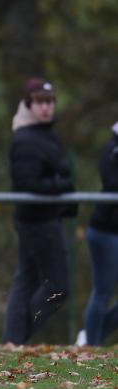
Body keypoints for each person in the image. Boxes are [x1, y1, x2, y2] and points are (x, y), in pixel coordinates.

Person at [3, 79, 75, 345]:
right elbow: (28, 183)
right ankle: (19, 335)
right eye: (40, 102)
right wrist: (63, 185)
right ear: (29, 105)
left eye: (50, 102)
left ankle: (13, 339)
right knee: (58, 287)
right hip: (38, 221)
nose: (46, 107)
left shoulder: (45, 134)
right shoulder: (26, 139)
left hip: (46, 218)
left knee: (26, 281)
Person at [81, 121, 118, 346]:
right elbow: (112, 184)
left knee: (102, 292)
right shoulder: (112, 149)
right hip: (106, 231)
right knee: (103, 292)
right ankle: (92, 344)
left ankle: (91, 337)